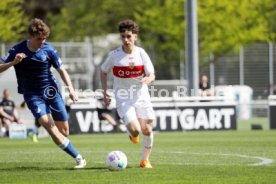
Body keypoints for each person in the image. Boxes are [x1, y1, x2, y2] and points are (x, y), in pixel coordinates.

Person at [0, 18, 86, 169]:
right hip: (32, 94)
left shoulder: (49, 50)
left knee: (64, 131)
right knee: (49, 126)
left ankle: (61, 138)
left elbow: (62, 70)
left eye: (44, 38)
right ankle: (79, 158)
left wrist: (71, 89)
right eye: (39, 39)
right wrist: (13, 63)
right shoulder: (16, 50)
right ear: (31, 37)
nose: (42, 42)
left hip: (51, 91)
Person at [100, 19, 155, 168]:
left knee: (147, 129)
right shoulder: (114, 55)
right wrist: (105, 93)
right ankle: (132, 134)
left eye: (129, 36)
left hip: (141, 96)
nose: (126, 39)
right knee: (136, 130)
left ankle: (145, 160)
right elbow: (103, 71)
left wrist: (148, 78)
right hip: (123, 98)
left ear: (135, 37)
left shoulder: (141, 53)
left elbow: (151, 74)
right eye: (123, 36)